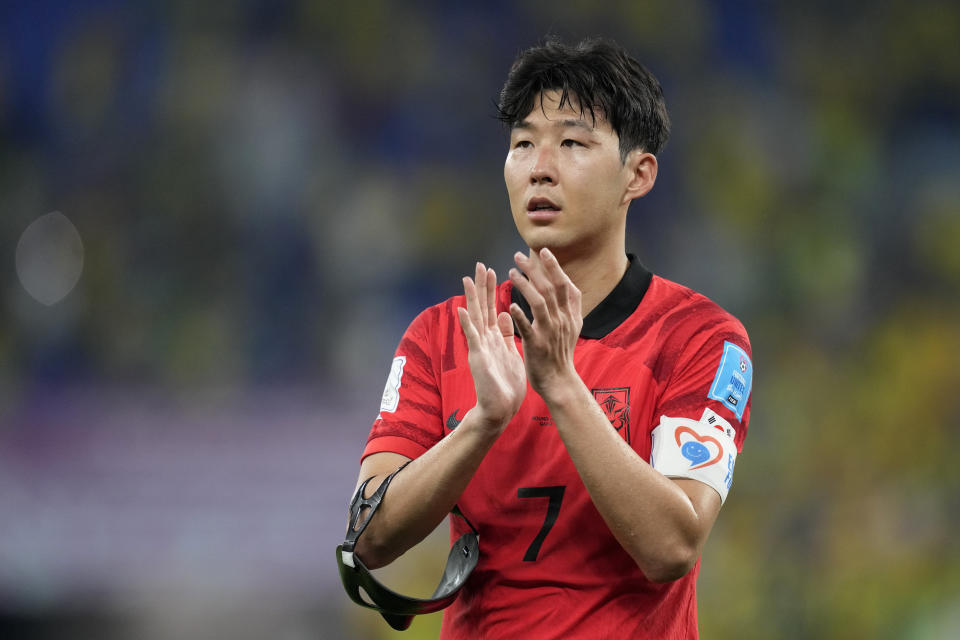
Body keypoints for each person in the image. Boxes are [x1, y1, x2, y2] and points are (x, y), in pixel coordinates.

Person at [349, 37, 753, 639]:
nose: (540, 165)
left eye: (572, 142)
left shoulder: (700, 339)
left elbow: (672, 547)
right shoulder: (443, 335)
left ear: (637, 175)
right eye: (522, 144)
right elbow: (370, 540)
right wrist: (482, 423)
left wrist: (561, 384)